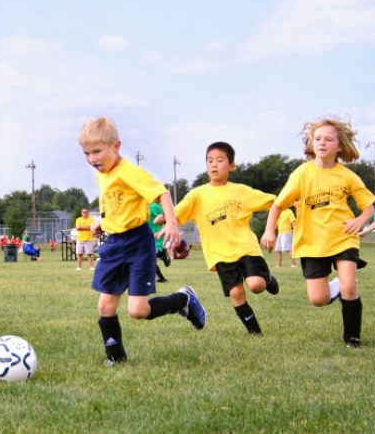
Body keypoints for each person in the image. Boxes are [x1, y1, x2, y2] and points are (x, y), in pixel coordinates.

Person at [78, 117, 206, 366]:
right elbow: (114, 205)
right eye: (86, 153)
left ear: (116, 146)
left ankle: (184, 300)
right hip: (113, 245)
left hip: (137, 244)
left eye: (97, 151)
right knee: (105, 306)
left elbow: (161, 193)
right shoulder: (101, 174)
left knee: (138, 311)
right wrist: (100, 222)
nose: (92, 158)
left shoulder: (129, 172)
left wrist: (171, 223)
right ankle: (116, 359)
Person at [261, 117, 375, 348]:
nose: (322, 143)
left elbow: (369, 207)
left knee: (350, 287)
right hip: (312, 243)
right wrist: (269, 231)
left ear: (339, 145)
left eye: (328, 139)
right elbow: (278, 205)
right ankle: (339, 285)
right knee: (318, 299)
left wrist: (360, 220)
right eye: (318, 139)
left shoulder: (347, 175)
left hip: (343, 238)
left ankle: (352, 337)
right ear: (312, 143)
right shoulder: (302, 174)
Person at [175, 142, 279, 336]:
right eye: (210, 161)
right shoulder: (197, 195)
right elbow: (177, 213)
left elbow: (273, 201)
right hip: (220, 254)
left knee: (256, 285)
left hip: (246, 247)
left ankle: (267, 278)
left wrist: (292, 200)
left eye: (220, 160)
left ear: (231, 165)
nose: (214, 165)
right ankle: (255, 333)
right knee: (236, 293)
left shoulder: (241, 191)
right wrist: (165, 217)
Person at [148, 200, 170, 283]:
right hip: (149, 236)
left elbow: (165, 219)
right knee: (149, 258)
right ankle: (161, 278)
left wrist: (161, 231)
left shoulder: (154, 206)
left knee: (149, 258)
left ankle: (162, 253)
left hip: (156, 236)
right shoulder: (144, 207)